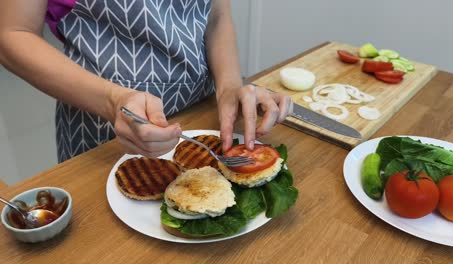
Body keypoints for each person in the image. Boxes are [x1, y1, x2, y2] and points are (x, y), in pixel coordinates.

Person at [0, 0, 291, 163]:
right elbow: (12, 33)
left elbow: (215, 14)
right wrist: (113, 101)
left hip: (202, 117)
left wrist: (228, 86)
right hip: (106, 126)